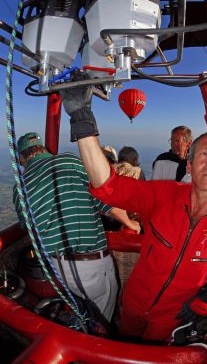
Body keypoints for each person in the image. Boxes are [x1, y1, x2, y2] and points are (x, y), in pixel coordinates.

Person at [60, 87, 207, 342]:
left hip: (175, 316)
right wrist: (81, 119)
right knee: (124, 344)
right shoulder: (163, 195)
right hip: (135, 301)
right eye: (204, 155)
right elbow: (108, 186)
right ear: (189, 165)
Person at [13, 132, 140, 322]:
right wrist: (129, 223)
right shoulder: (69, 161)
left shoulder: (19, 186)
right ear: (44, 150)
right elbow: (105, 201)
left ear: (22, 157)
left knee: (77, 318)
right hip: (91, 267)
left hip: (55, 269)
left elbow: (29, 227)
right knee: (100, 324)